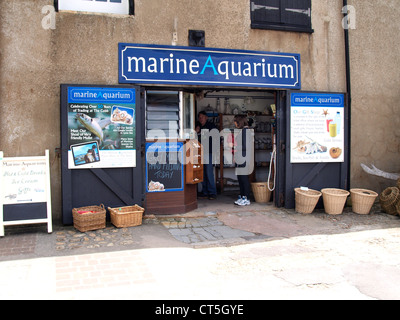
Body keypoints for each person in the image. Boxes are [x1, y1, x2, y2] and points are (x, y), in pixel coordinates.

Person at [233, 114, 253, 206]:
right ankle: (242, 196)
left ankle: (246, 198)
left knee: (244, 179)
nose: (235, 124)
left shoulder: (246, 131)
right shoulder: (244, 131)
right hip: (240, 158)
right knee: (240, 179)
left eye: (236, 122)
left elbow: (245, 146)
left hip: (243, 158)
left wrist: (234, 146)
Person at [197, 111, 217, 200]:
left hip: (209, 152)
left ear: (206, 117)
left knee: (209, 173)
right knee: (202, 173)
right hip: (200, 152)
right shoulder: (198, 126)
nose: (201, 119)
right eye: (199, 117)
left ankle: (212, 192)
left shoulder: (211, 126)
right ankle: (205, 192)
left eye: (202, 117)